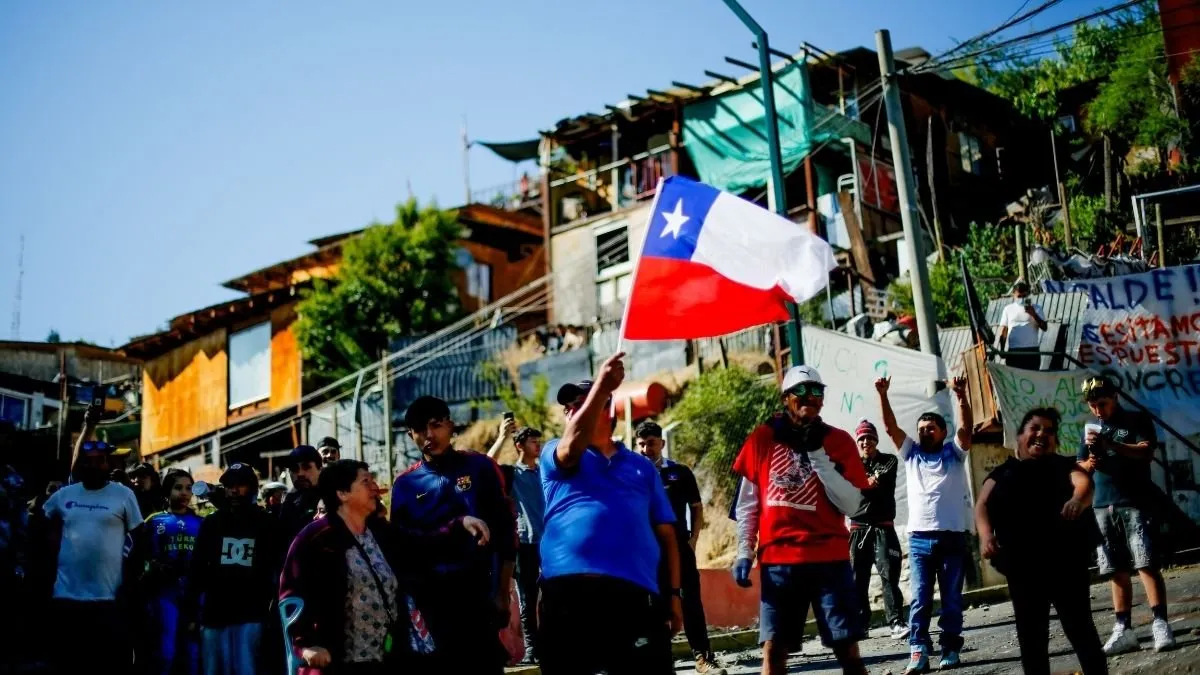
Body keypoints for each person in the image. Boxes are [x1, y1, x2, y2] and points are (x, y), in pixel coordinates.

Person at [538, 358, 683, 675]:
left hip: (631, 595)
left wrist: (674, 595)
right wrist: (602, 388)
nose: (571, 412)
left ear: (609, 411)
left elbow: (667, 536)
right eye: (568, 408)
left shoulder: (642, 467)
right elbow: (571, 450)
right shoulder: (554, 452)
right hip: (568, 595)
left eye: (581, 404)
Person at [280, 459, 493, 674]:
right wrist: (304, 646)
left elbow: (423, 546)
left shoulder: (380, 531)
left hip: (386, 659)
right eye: (366, 481)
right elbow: (291, 597)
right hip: (337, 662)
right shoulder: (315, 539)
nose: (375, 487)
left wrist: (460, 524)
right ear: (343, 493)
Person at [732, 365, 869, 675]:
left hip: (829, 557)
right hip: (779, 562)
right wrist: (744, 551)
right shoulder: (762, 438)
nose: (810, 397)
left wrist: (818, 455)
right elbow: (748, 504)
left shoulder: (839, 441)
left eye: (817, 391)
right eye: (801, 391)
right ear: (785, 398)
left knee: (848, 650)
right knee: (774, 651)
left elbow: (852, 505)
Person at [390, 396, 517, 674]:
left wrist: (502, 592)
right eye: (420, 429)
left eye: (436, 425)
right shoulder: (404, 485)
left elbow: (506, 533)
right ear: (410, 435)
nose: (429, 435)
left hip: (479, 597)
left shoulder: (481, 467)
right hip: (430, 605)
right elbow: (400, 549)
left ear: (450, 425)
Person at [976, 407, 1107, 675]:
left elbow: (1084, 484)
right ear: (1019, 436)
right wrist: (986, 535)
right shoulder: (1003, 472)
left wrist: (1076, 500)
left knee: (1081, 630)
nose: (1041, 434)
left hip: (1066, 563)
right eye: (1034, 428)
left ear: (1055, 441)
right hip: (1022, 566)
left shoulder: (1063, 466)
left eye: (1048, 431)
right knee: (1031, 638)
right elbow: (982, 505)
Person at [876, 375, 973, 673]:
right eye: (921, 429)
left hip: (952, 538)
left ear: (943, 431)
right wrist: (882, 394)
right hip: (919, 540)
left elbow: (967, 429)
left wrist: (960, 396)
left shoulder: (954, 453)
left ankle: (950, 648)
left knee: (952, 599)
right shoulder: (911, 453)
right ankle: (918, 651)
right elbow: (890, 428)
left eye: (930, 428)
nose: (924, 432)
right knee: (919, 598)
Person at [1076, 376, 1175, 654]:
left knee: (1146, 563)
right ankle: (1123, 629)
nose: (1098, 410)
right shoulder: (1090, 428)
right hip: (1102, 504)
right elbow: (1079, 467)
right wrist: (1091, 461)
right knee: (1115, 570)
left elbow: (1146, 451)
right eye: (1093, 405)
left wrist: (1112, 445)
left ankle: (1160, 623)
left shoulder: (1135, 420)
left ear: (1115, 397)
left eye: (1102, 403)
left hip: (1135, 501)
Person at [43, 438, 143, 673]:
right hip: (66, 597)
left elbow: (141, 538)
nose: (94, 466)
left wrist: (130, 582)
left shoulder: (123, 495)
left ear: (108, 464)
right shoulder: (64, 495)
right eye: (88, 461)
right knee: (68, 663)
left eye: (100, 461)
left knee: (106, 663)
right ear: (80, 464)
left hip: (108, 598)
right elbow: (39, 522)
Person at [636, 420, 727, 675]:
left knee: (691, 601)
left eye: (651, 443)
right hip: (648, 552)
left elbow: (696, 507)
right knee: (653, 605)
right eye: (641, 444)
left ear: (662, 443)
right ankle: (662, 662)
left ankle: (703, 657)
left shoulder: (680, 472)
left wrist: (693, 539)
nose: (646, 449)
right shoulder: (633, 474)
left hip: (679, 548)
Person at [186, 463, 281, 675]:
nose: (234, 490)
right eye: (229, 485)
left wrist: (272, 612)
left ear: (252, 488)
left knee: (247, 669)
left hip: (252, 615)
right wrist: (191, 613)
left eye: (240, 485)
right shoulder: (212, 523)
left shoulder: (267, 523)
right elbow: (197, 569)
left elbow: (275, 569)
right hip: (215, 614)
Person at [489, 421, 546, 665]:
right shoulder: (511, 474)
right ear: (519, 445)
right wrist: (502, 437)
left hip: (551, 544)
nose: (538, 445)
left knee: (553, 598)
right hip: (525, 544)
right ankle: (532, 648)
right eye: (533, 441)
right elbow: (486, 465)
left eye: (539, 441)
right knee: (528, 598)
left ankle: (551, 646)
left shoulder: (546, 471)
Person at [848, 420, 907, 640]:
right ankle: (861, 625)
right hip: (858, 530)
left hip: (883, 528)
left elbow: (873, 482)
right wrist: (863, 481)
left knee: (889, 576)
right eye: (862, 438)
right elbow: (849, 484)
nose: (866, 442)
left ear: (876, 440)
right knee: (857, 580)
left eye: (870, 437)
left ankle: (896, 622)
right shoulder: (850, 464)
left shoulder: (889, 460)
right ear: (857, 442)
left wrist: (859, 482)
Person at [140, 470, 203, 675]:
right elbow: (141, 558)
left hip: (194, 596)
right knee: (165, 652)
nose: (184, 493)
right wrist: (151, 569)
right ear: (167, 491)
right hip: (163, 594)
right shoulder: (154, 521)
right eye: (178, 488)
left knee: (192, 654)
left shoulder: (202, 523)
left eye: (189, 488)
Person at [280, 445, 323, 547]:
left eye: (306, 467)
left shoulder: (333, 497)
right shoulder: (289, 502)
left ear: (320, 469)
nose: (300, 473)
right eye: (294, 469)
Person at [998, 280, 1047, 370]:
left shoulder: (1037, 308)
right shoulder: (1008, 309)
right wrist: (1002, 349)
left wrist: (1034, 314)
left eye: (1024, 296)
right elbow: (1004, 330)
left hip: (1032, 351)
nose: (1021, 299)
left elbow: (1045, 327)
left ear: (1028, 294)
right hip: (1014, 351)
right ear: (1013, 295)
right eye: (1019, 296)